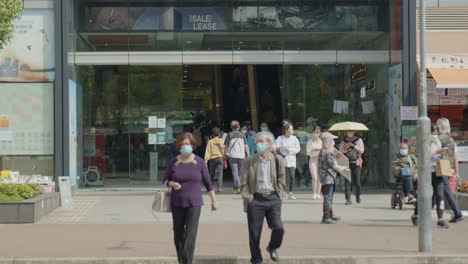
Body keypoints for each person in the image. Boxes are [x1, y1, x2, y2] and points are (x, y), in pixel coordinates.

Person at [163, 133, 218, 264]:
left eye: (187, 144)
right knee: (178, 233)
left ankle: (187, 261)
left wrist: (214, 200)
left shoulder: (199, 162)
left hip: (194, 203)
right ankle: (182, 260)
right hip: (177, 202)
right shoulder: (173, 162)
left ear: (193, 145)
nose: (185, 146)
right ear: (178, 146)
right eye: (182, 144)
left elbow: (208, 183)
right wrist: (171, 183)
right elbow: (165, 179)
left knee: (190, 234)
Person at [240, 132, 286, 264]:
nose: (258, 144)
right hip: (256, 199)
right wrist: (249, 198)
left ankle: (272, 247)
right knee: (254, 232)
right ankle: (256, 258)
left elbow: (282, 179)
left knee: (278, 227)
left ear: (269, 144)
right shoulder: (249, 161)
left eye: (262, 141)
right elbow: (243, 182)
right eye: (257, 142)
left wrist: (280, 194)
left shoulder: (278, 160)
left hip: (273, 198)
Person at [411, 124, 448, 228]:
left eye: (436, 133)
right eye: (433, 133)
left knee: (440, 195)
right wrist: (436, 151)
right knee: (423, 195)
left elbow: (438, 154)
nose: (435, 136)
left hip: (437, 171)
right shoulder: (423, 142)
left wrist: (442, 153)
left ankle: (440, 219)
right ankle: (415, 215)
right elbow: (423, 156)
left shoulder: (438, 141)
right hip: (426, 172)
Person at [436, 118, 464, 223]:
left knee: (443, 190)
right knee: (441, 191)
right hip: (450, 169)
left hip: (440, 168)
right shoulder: (452, 140)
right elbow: (456, 157)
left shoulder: (437, 139)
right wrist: (456, 172)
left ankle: (457, 213)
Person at [318, 132, 349, 224]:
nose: (334, 143)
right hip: (328, 178)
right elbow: (335, 166)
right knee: (328, 197)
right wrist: (344, 168)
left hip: (323, 178)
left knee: (328, 196)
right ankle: (326, 217)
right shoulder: (329, 154)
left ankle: (330, 214)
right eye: (332, 140)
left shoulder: (321, 151)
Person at [274, 121, 301, 200]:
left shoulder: (294, 138)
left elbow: (298, 148)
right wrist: (280, 149)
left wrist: (290, 150)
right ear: (286, 130)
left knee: (292, 176)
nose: (292, 130)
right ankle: (284, 192)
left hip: (292, 160)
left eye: (292, 129)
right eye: (291, 129)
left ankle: (291, 192)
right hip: (283, 160)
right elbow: (275, 146)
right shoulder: (281, 138)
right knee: (284, 177)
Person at [225, 120, 250, 194]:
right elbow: (246, 146)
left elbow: (226, 146)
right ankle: (239, 187)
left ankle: (237, 187)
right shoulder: (242, 135)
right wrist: (248, 155)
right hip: (241, 156)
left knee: (235, 172)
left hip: (232, 156)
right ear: (238, 127)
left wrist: (225, 153)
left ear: (231, 127)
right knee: (240, 172)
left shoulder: (229, 135)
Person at [339, 131, 365, 205]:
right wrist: (346, 148)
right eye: (348, 132)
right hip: (346, 163)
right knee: (347, 182)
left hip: (356, 163)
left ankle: (358, 195)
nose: (349, 133)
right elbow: (340, 152)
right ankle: (348, 199)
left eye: (351, 132)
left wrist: (354, 146)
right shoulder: (344, 141)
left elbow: (362, 150)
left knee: (357, 182)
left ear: (354, 132)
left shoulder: (359, 140)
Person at [205, 127, 225, 192]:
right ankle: (220, 188)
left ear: (212, 134)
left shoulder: (210, 141)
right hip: (220, 158)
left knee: (212, 173)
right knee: (220, 173)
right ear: (219, 133)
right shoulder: (222, 141)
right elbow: (224, 149)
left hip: (212, 159)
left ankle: (210, 187)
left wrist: (206, 160)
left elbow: (208, 151)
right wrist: (225, 157)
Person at [307, 126, 323, 200]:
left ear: (320, 133)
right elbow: (307, 152)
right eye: (315, 132)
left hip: (319, 160)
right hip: (312, 160)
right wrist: (312, 151)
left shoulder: (321, 142)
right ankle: (314, 193)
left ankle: (318, 193)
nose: (316, 134)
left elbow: (324, 151)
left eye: (318, 132)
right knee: (314, 177)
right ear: (313, 133)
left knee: (319, 178)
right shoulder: (310, 142)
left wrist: (318, 151)